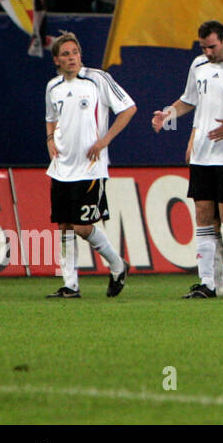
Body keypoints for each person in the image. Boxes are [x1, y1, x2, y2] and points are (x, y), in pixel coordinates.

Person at [151, 20, 223, 298]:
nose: (207, 52)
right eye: (203, 47)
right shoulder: (198, 65)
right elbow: (189, 100)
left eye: (212, 46)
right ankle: (207, 284)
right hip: (203, 156)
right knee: (203, 216)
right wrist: (168, 114)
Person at [44, 32, 136, 298]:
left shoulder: (97, 78)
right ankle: (70, 285)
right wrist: (50, 138)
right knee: (64, 225)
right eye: (65, 54)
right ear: (57, 61)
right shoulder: (53, 87)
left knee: (83, 226)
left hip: (90, 167)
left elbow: (129, 108)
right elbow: (50, 117)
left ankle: (118, 264)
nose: (71, 58)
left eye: (75, 52)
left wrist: (105, 140)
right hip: (61, 166)